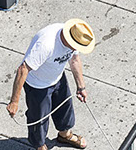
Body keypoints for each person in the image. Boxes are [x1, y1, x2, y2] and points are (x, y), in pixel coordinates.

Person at [7, 18, 95, 150]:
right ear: (69, 39)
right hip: (37, 85)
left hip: (57, 77)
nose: (78, 49)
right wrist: (14, 101)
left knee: (65, 108)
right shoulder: (46, 44)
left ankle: (65, 135)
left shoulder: (76, 37)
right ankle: (40, 146)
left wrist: (81, 86)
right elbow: (23, 69)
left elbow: (75, 60)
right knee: (39, 119)